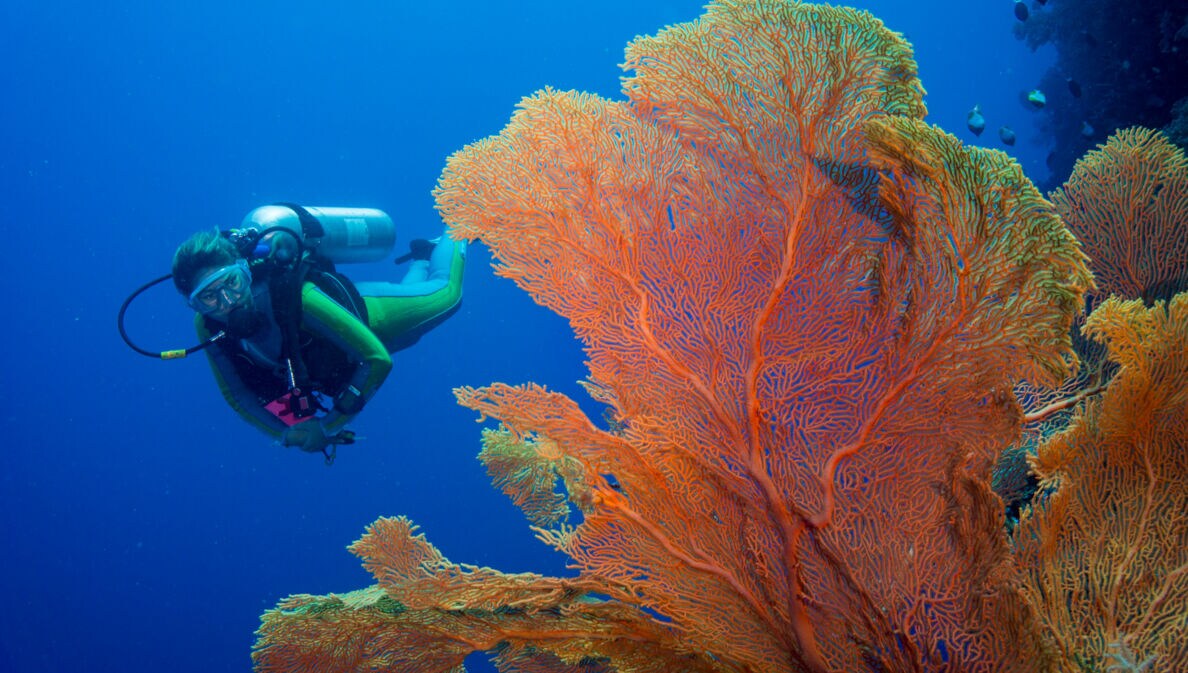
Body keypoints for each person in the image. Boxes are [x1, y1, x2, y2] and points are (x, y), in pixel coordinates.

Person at [170, 209, 465, 462]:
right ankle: (423, 256)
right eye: (208, 297)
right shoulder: (207, 327)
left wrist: (328, 425)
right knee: (410, 328)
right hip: (340, 356)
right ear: (193, 305)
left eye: (232, 283)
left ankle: (464, 222)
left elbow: (376, 358)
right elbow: (238, 396)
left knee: (446, 295)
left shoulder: (293, 296)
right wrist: (289, 432)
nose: (227, 301)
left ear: (245, 272)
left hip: (373, 319)